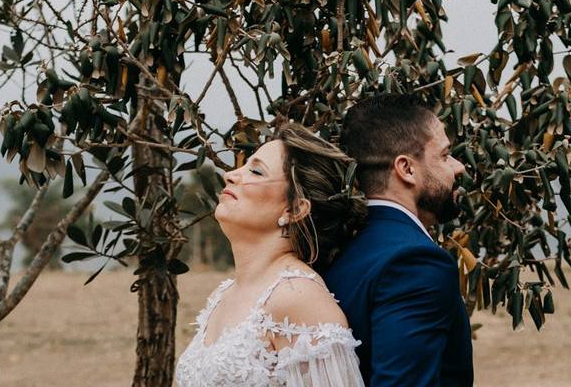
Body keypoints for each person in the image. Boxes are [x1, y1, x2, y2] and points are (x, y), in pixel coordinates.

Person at [175, 122, 368, 387]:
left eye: (255, 171)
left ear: (295, 209)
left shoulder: (299, 298)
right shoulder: (225, 293)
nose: (231, 174)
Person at [322, 93, 473, 386]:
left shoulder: (337, 247)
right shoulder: (414, 263)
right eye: (444, 155)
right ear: (406, 169)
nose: (458, 167)